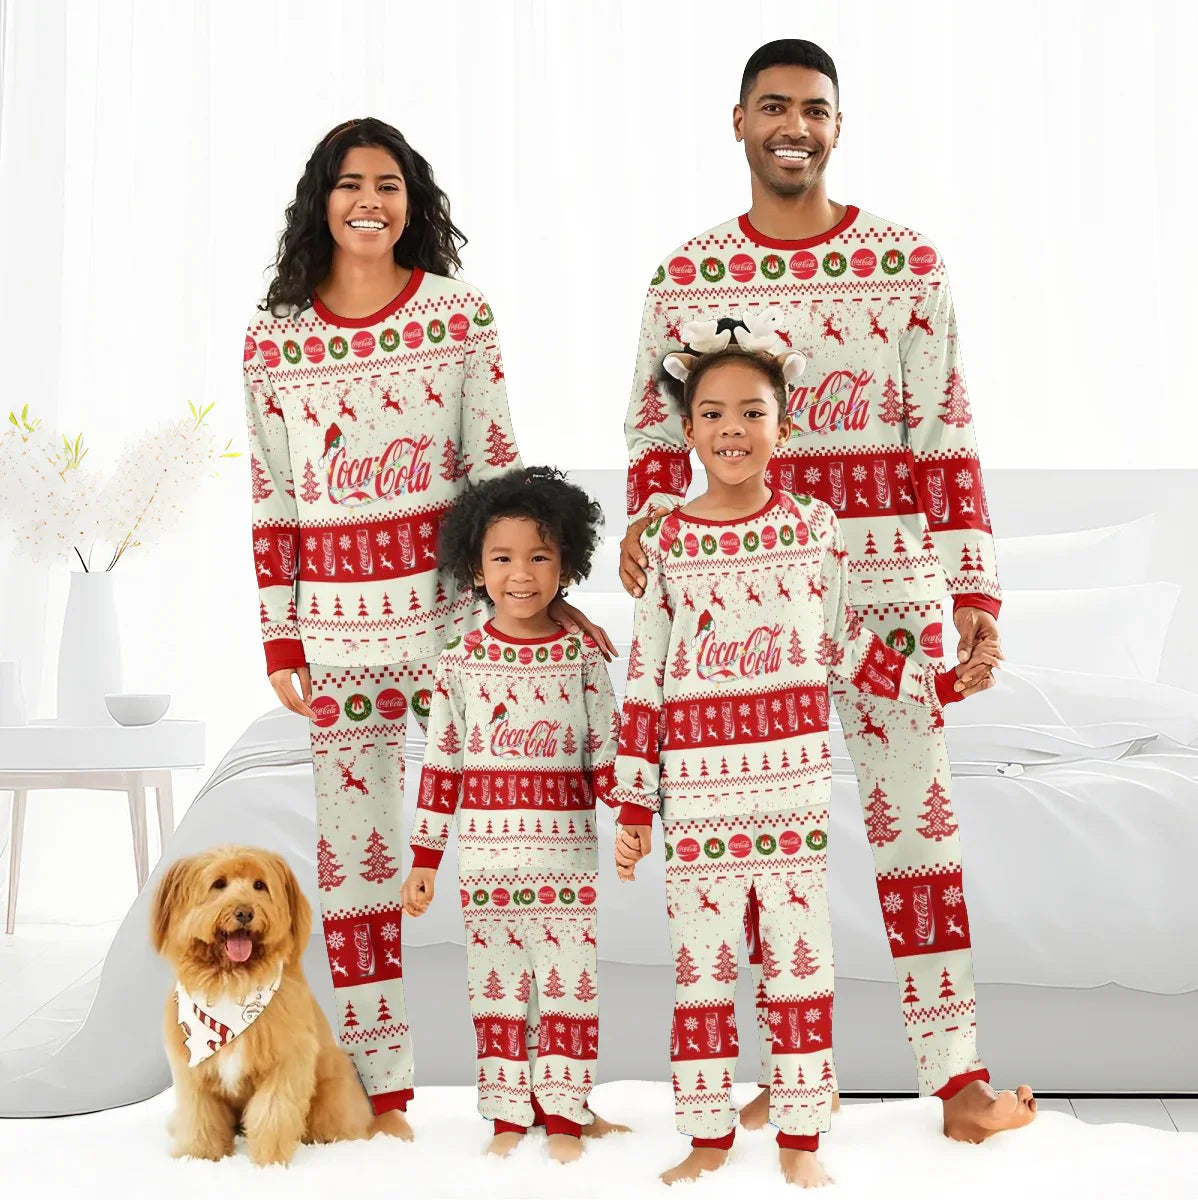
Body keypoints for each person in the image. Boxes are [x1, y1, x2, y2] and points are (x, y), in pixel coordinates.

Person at [619, 40, 1037, 1145]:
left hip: (894, 586)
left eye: (814, 109)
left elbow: (947, 431)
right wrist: (649, 530)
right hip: (745, 613)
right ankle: (788, 1075)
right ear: (740, 122)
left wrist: (975, 583)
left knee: (918, 837)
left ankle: (956, 1084)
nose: (793, 125)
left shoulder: (909, 262)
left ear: (838, 127)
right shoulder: (688, 275)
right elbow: (655, 439)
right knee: (757, 847)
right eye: (773, 107)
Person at [244, 118, 612, 1127]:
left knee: (507, 845)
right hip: (336, 637)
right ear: (322, 199)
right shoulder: (275, 334)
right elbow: (273, 493)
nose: (372, 198)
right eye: (352, 182)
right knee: (356, 867)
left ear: (414, 202)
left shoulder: (458, 316)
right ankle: (383, 1090)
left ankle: (539, 1087)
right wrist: (281, 634)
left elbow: (497, 472)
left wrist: (543, 595)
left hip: (460, 629)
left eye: (391, 183)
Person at [613, 333, 988, 1186]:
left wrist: (936, 685)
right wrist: (635, 804)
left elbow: (839, 643)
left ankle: (801, 1141)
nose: (732, 429)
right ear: (688, 430)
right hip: (700, 803)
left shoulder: (812, 528)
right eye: (712, 414)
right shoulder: (667, 540)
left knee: (799, 972)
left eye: (752, 412)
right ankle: (707, 1139)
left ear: (784, 425)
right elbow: (646, 679)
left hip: (791, 800)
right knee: (701, 976)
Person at [401, 467, 629, 1162]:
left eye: (540, 557)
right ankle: (507, 1115)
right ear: (476, 566)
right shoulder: (459, 665)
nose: (522, 575)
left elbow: (606, 754)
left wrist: (635, 818)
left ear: (568, 564)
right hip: (487, 870)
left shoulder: (584, 657)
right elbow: (442, 768)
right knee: (497, 995)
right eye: (502, 558)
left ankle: (566, 1115)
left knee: (569, 992)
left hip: (567, 868)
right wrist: (424, 863)